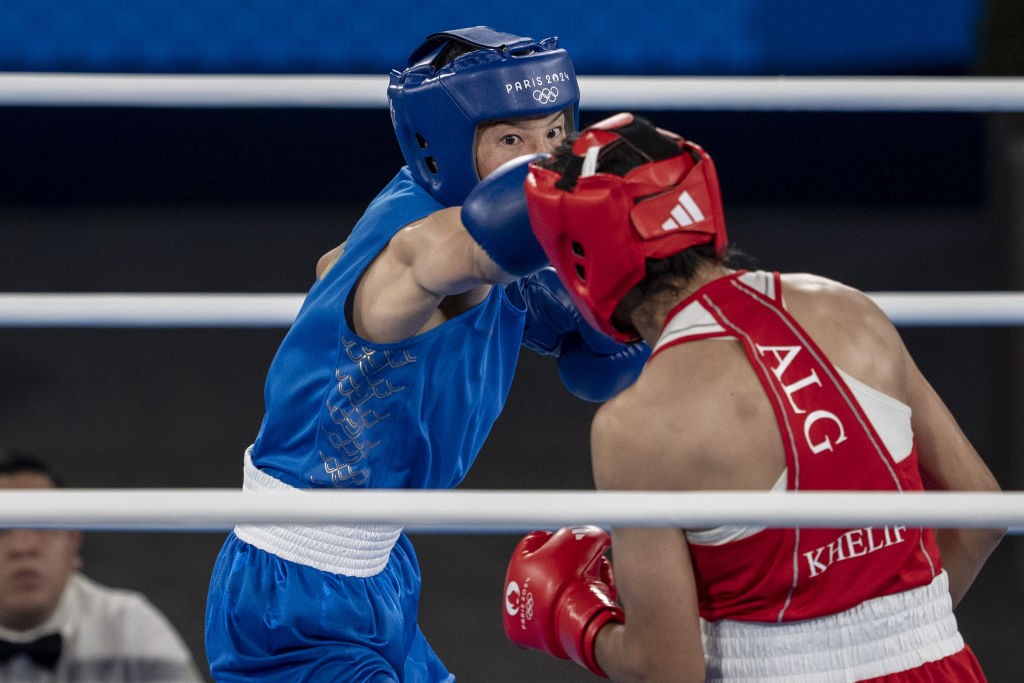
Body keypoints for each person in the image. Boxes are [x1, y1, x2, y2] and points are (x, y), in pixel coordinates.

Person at [204, 27, 649, 682]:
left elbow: (333, 263)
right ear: (446, 146)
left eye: (556, 133)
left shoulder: (431, 199)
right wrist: (628, 207)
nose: (543, 160)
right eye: (511, 140)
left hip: (379, 564)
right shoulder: (430, 243)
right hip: (293, 596)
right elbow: (457, 250)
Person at [500, 113, 1006, 681]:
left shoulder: (640, 425)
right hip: (942, 663)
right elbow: (981, 516)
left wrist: (575, 621)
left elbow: (667, 671)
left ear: (580, 259)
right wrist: (905, 632)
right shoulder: (850, 309)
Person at [0, 447, 203, 682]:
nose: (23, 547)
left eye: (41, 524)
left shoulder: (130, 626)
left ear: (74, 541)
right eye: (1, 528)